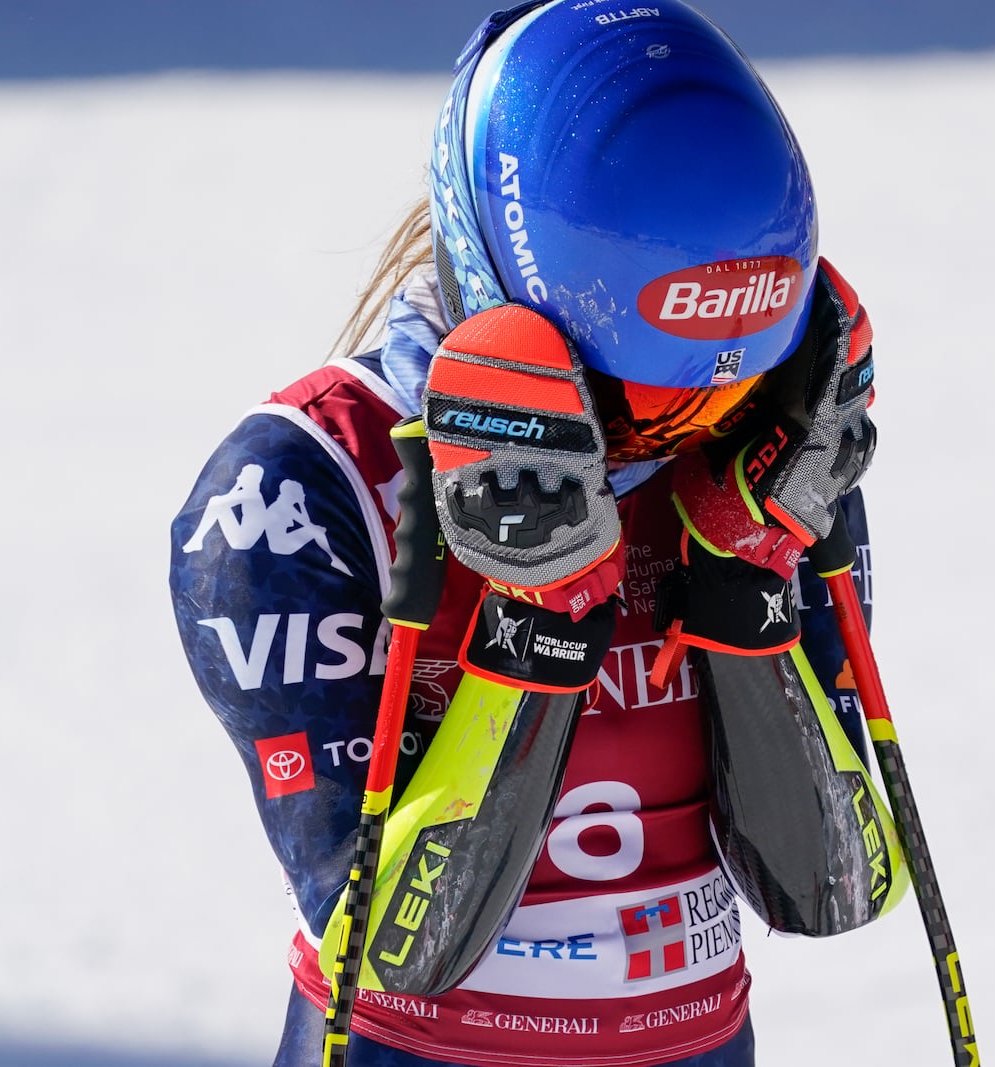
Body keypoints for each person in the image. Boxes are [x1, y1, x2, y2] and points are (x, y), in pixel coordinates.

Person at [169, 3, 899, 1065]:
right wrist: (540, 621)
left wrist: (746, 579)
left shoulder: (765, 457)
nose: (679, 434)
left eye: (725, 389)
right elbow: (385, 938)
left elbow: (828, 886)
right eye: (641, 396)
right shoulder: (297, 488)